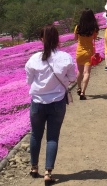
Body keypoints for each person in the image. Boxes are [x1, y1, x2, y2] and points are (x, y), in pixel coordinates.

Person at [25, 25, 76, 184]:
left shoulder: (33, 59)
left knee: (35, 135)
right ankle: (48, 172)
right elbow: (72, 78)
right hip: (57, 102)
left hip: (37, 103)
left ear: (42, 39)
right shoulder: (66, 57)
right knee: (52, 138)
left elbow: (29, 81)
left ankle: (34, 168)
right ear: (57, 39)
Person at [73, 8, 99, 100]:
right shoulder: (94, 28)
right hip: (89, 52)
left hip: (79, 52)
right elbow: (94, 38)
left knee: (80, 72)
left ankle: (79, 87)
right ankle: (83, 92)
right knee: (86, 72)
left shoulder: (78, 27)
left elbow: (75, 39)